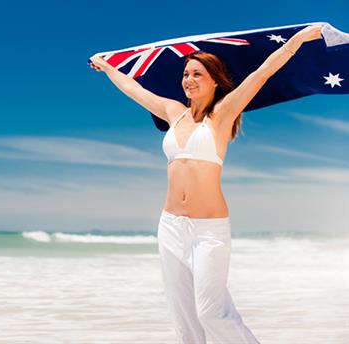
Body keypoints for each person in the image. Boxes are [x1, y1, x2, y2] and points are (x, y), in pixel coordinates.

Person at [90, 24, 323, 344]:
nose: (189, 80)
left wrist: (298, 39)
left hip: (208, 229)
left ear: (214, 79)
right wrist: (106, 67)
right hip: (170, 225)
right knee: (184, 316)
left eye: (197, 74)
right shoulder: (174, 113)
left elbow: (264, 70)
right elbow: (135, 90)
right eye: (186, 74)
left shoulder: (224, 114)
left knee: (212, 312)